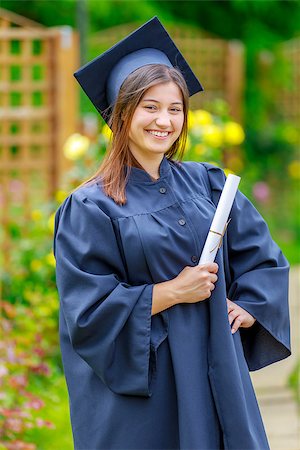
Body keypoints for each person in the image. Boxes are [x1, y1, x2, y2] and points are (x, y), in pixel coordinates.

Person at [53, 17, 291, 450]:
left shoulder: (208, 184)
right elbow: (86, 314)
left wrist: (254, 305)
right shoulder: (90, 208)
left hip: (216, 364)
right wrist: (173, 292)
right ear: (121, 113)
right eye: (150, 107)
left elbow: (263, 256)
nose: (164, 121)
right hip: (149, 383)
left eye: (175, 108)